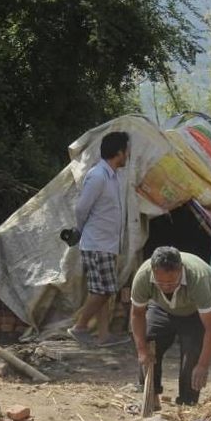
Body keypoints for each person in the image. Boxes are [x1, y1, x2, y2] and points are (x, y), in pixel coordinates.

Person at [131, 246, 211, 406]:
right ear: (153, 271)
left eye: (171, 282)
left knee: (192, 356)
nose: (166, 286)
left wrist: (203, 365)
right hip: (161, 307)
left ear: (181, 270)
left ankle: (186, 404)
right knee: (149, 342)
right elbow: (137, 314)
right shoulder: (143, 276)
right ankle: (151, 398)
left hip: (194, 312)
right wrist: (141, 350)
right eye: (161, 282)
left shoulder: (199, 279)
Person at [67, 131, 131, 346]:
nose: (128, 155)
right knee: (105, 290)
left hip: (107, 243)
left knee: (102, 290)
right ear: (119, 152)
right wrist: (81, 229)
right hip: (97, 243)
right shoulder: (98, 176)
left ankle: (103, 335)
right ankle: (80, 326)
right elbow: (81, 208)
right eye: (126, 150)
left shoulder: (112, 177)